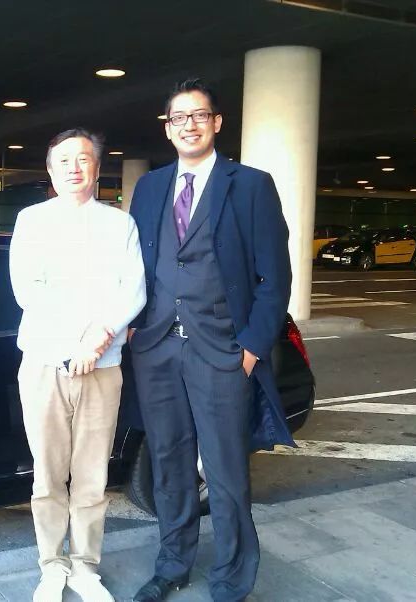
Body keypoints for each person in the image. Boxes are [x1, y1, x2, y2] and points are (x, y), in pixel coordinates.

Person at [127, 78, 293, 602]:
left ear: (217, 123)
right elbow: (135, 266)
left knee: (224, 472)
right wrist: (132, 327)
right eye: (179, 117)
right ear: (168, 128)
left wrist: (249, 349)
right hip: (157, 349)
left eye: (199, 115)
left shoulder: (250, 185)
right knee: (169, 463)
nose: (189, 125)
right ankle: (172, 564)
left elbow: (275, 278)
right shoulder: (150, 187)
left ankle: (231, 578)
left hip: (221, 352)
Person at [9, 128, 146, 602]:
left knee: (92, 475)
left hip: (102, 366)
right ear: (50, 170)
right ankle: (51, 566)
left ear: (97, 167)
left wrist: (97, 339)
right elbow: (29, 291)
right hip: (46, 362)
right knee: (47, 474)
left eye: (83, 159)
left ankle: (86, 567)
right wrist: (75, 343)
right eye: (63, 160)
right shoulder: (31, 221)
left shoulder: (119, 224)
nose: (73, 167)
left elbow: (133, 289)